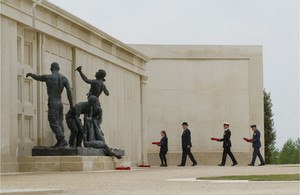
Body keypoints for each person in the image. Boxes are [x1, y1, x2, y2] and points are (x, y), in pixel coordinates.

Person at [26, 62, 73, 148]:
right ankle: (60, 142)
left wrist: (30, 74)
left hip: (53, 103)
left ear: (51, 69)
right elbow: (69, 92)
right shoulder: (64, 79)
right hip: (60, 103)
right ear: (59, 68)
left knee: (53, 122)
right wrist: (71, 104)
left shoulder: (49, 77)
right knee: (59, 122)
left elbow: (38, 77)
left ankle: (62, 140)